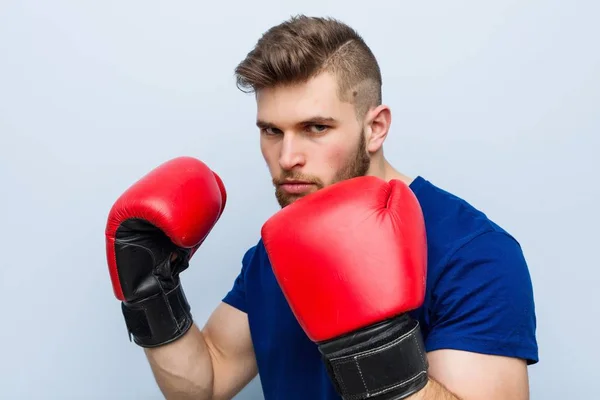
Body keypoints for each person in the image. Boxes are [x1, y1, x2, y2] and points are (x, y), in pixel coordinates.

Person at [105, 15, 538, 400]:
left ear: (376, 127)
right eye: (272, 130)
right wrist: (151, 293)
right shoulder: (276, 249)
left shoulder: (473, 253)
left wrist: (376, 349)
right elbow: (208, 379)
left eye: (316, 127)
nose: (287, 155)